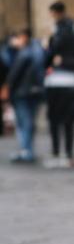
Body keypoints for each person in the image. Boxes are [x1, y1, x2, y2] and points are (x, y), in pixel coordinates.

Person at [43, 1, 74, 168]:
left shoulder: (58, 31)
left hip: (57, 78)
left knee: (56, 119)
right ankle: (68, 153)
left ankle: (57, 151)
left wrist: (51, 56)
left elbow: (48, 54)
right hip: (71, 78)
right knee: (68, 120)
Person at [5, 28, 45, 162]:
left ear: (23, 37)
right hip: (35, 91)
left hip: (22, 92)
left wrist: (7, 87)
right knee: (29, 122)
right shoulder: (38, 51)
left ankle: (26, 150)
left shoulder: (24, 53)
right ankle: (28, 150)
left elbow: (14, 74)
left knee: (24, 122)